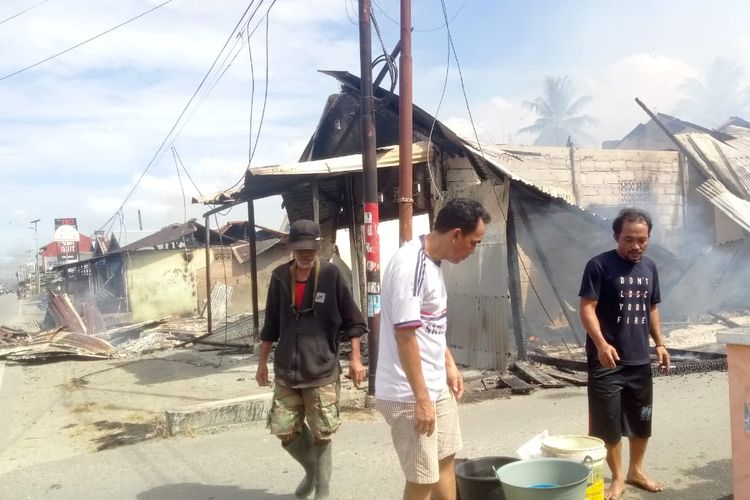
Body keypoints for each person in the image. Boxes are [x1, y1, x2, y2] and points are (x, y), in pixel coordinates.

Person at [376, 198, 491, 500]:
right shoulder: (410, 265)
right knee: (422, 478)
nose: (473, 251)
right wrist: (422, 398)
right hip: (408, 392)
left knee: (445, 460)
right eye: (473, 243)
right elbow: (405, 337)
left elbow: (430, 326)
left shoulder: (433, 263)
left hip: (433, 384)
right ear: (455, 234)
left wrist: (449, 364)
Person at [256, 219, 367, 500]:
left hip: (321, 369)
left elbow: (354, 322)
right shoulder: (280, 277)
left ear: (318, 247)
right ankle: (313, 473)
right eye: (300, 249)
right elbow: (270, 325)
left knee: (322, 433)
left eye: (310, 250)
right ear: (291, 248)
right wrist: (262, 363)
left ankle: (323, 489)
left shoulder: (331, 275)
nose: (306, 255)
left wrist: (356, 359)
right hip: (286, 370)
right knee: (284, 431)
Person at [578, 208, 671, 500]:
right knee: (608, 422)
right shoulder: (599, 266)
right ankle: (618, 477)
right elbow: (586, 308)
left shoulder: (650, 267)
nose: (636, 246)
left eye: (642, 239)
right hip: (607, 360)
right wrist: (602, 344)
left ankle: (636, 470)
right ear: (617, 236)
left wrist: (660, 343)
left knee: (642, 418)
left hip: (639, 358)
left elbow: (652, 307)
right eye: (629, 239)